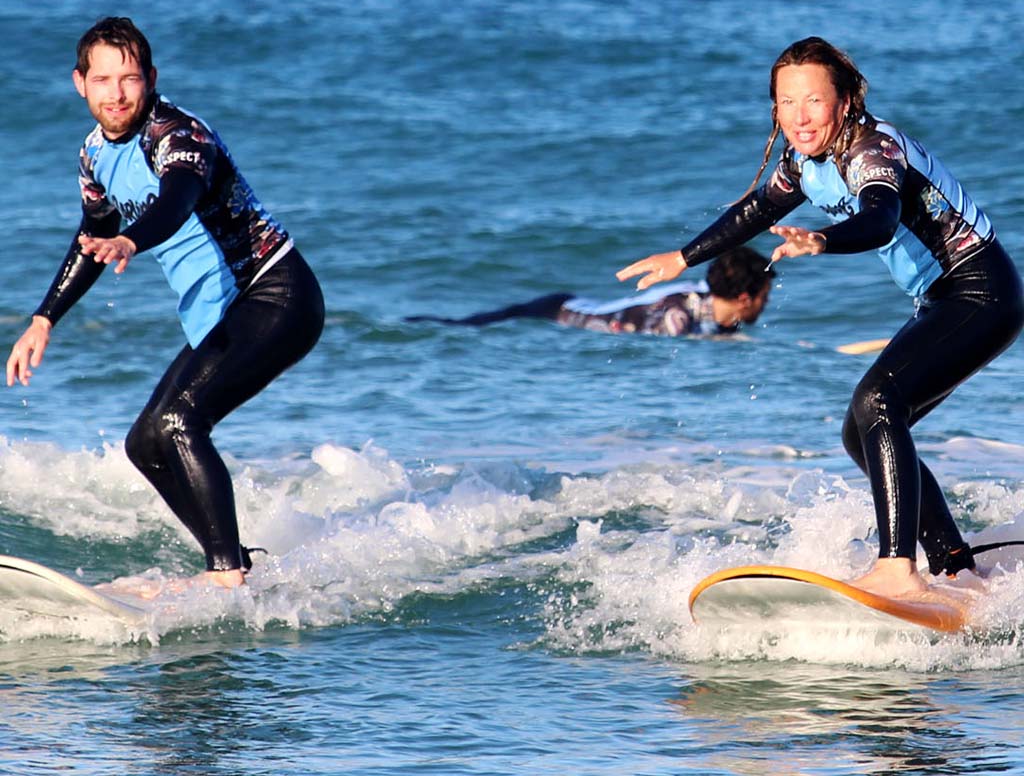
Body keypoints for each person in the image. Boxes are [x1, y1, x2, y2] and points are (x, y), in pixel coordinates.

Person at [617, 36, 1023, 600]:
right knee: (863, 432)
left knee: (880, 405)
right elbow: (760, 209)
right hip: (942, 298)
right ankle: (953, 562)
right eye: (786, 102)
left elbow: (880, 218)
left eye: (813, 101)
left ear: (845, 101)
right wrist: (682, 258)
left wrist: (821, 241)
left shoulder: (872, 152)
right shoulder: (804, 160)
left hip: (982, 292)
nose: (799, 116)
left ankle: (896, 567)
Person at [6, 17, 325, 590]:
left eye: (129, 79)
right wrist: (44, 317)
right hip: (229, 309)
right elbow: (93, 230)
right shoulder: (94, 155)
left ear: (150, 78)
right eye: (103, 80)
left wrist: (131, 238)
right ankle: (236, 563)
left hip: (278, 294)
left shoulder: (179, 136)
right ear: (80, 83)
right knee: (146, 443)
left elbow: (176, 198)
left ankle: (226, 573)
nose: (117, 93)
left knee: (180, 420)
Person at [406, 247, 773, 336]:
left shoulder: (707, 304)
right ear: (745, 298)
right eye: (765, 295)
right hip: (556, 314)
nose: (766, 303)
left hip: (566, 308)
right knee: (455, 328)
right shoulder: (679, 315)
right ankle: (409, 325)